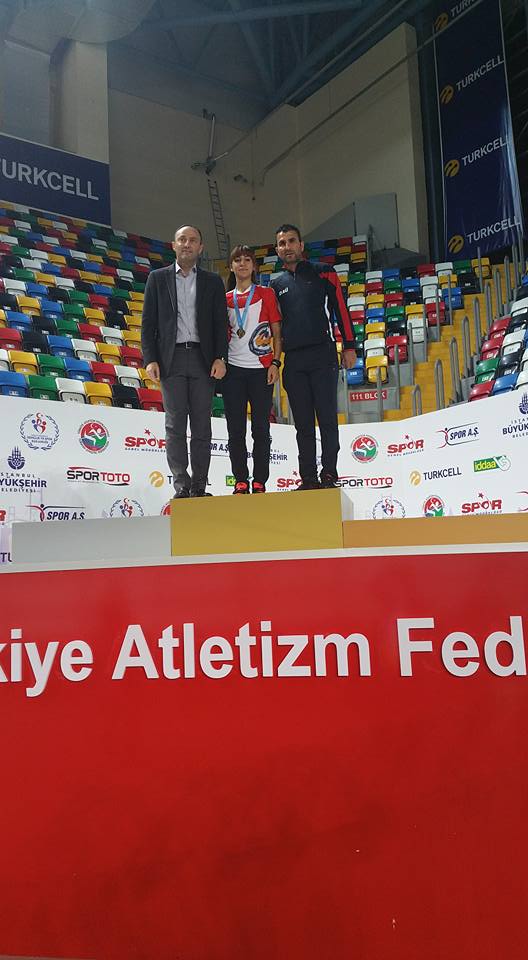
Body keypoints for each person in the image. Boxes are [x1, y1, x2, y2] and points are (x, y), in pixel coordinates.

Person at [141, 225, 228, 498]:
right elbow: (148, 323)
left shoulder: (213, 282)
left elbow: (220, 324)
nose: (187, 244)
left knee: (202, 424)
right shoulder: (157, 278)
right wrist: (150, 359)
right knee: (175, 425)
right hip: (172, 359)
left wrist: (221, 357)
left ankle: (200, 486)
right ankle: (182, 485)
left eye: (192, 240)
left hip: (204, 359)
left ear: (201, 247)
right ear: (173, 245)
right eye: (182, 239)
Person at [270, 224, 357, 491]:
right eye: (282, 243)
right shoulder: (275, 284)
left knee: (328, 419)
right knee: (303, 424)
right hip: (294, 361)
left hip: (323, 355)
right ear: (277, 250)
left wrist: (350, 346)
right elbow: (274, 327)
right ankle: (308, 478)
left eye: (291, 241)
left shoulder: (325, 272)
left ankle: (329, 473)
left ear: (301, 245)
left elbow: (341, 309)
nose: (287, 246)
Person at [223, 245, 282, 494]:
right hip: (232, 372)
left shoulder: (266, 294)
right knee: (235, 430)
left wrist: (275, 363)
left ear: (254, 266)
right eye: (238, 260)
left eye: (247, 260)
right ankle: (240, 479)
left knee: (261, 429)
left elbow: (277, 332)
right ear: (231, 266)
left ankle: (260, 480)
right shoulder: (225, 298)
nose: (243, 264)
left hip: (261, 370)